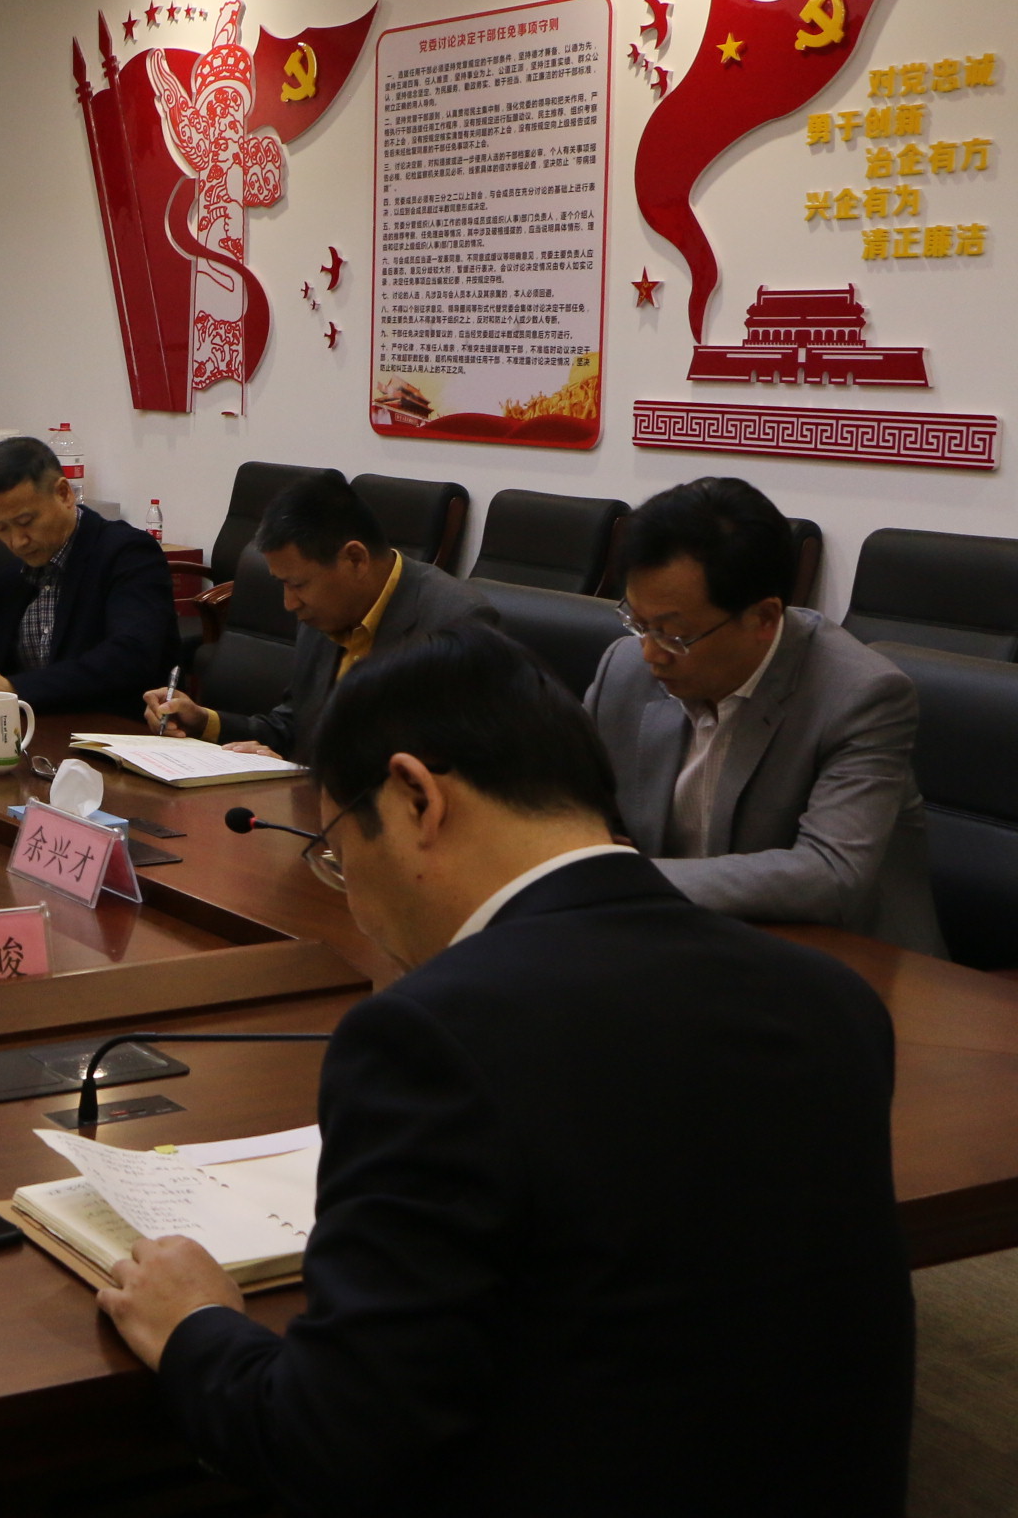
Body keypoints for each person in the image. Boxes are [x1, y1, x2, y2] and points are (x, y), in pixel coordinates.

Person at [100, 623, 912, 1517]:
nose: (354, 898)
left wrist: (196, 1324)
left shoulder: (433, 1038)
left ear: (416, 796)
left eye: (338, 852)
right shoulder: (832, 1001)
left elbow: (331, 1442)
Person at [584, 476, 940, 954]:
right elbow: (566, 802)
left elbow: (830, 874)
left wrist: (625, 877)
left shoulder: (861, 696)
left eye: (673, 634)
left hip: (842, 961)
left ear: (764, 618)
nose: (650, 653)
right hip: (679, 941)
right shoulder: (624, 667)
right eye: (638, 623)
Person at [149, 469, 492, 760]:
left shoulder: (455, 621)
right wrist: (202, 722)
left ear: (355, 559)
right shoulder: (325, 610)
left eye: (297, 584)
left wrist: (299, 775)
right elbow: (293, 727)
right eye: (283, 584)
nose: (289, 604)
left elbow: (450, 771)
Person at [0, 435, 179, 714]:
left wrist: (14, 688)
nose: (17, 541)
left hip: (109, 728)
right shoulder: (14, 572)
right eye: (1, 527)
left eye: (26, 521)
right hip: (31, 729)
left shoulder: (127, 553)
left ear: (64, 494)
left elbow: (129, 658)